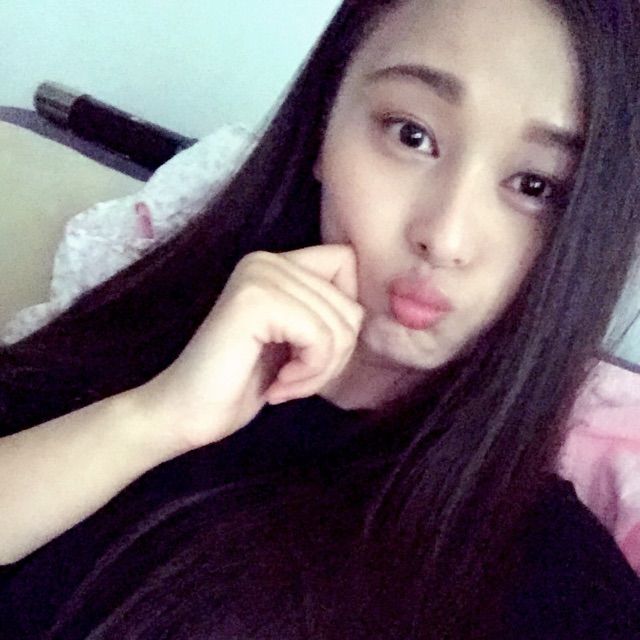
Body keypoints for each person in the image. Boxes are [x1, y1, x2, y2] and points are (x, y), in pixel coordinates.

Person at [1, 0, 639, 637]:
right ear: (323, 126)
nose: (445, 238)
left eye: (535, 186)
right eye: (410, 135)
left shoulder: (561, 586)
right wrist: (149, 420)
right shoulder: (124, 346)